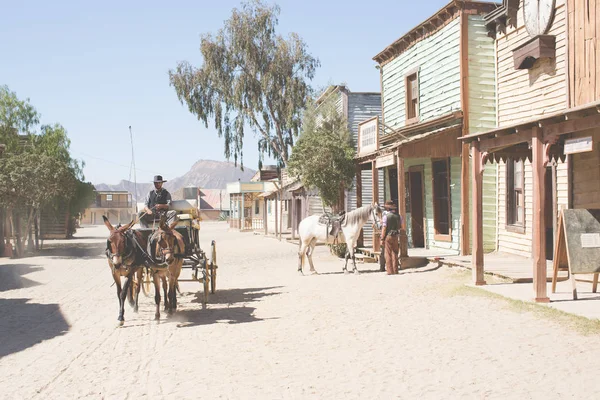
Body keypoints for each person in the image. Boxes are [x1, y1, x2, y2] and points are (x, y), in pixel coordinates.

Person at [380, 200, 401, 275]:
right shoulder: (398, 216)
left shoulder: (386, 217)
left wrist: (382, 238)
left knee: (388, 253)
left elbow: (384, 228)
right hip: (396, 235)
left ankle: (390, 271)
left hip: (388, 236)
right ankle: (396, 270)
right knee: (395, 253)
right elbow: (400, 226)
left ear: (387, 209)